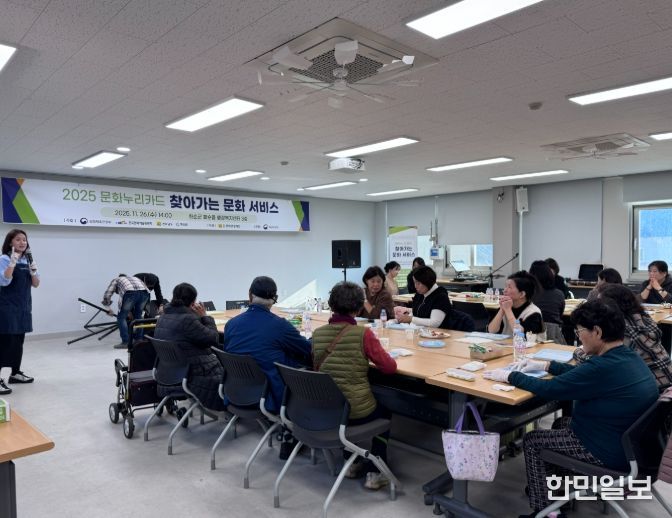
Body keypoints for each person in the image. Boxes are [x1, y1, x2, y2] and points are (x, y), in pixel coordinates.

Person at [483, 301, 658, 518]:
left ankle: (546, 511)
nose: (578, 336)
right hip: (631, 446)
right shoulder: (627, 357)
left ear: (597, 332)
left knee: (533, 441)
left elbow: (549, 389)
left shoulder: (602, 366)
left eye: (580, 331)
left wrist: (510, 376)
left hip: (609, 452)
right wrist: (547, 365)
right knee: (560, 423)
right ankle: (555, 493)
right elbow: (581, 374)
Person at [312, 281, 397, 490]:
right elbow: (389, 368)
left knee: (346, 402)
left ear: (331, 305)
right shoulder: (363, 334)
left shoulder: (317, 334)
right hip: (356, 410)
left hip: (327, 409)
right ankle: (376, 471)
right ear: (359, 308)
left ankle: (351, 462)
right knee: (384, 412)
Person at [223, 276, 312, 458]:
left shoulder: (231, 324)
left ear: (249, 295)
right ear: (274, 299)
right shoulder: (279, 326)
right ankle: (293, 431)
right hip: (270, 395)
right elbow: (308, 349)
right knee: (303, 369)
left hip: (235, 391)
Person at [575, 284, 672, 389]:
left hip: (654, 390)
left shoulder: (623, 331)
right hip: (665, 381)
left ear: (611, 307)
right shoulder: (642, 318)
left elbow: (598, 364)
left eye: (600, 304)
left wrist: (578, 352)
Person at [153, 283, 225, 411]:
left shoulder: (163, 317)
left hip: (167, 371)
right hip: (191, 373)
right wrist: (205, 317)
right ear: (192, 303)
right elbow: (213, 339)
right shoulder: (187, 320)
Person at [0, 229, 39, 394]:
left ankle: (15, 374)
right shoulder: (4, 259)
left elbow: (36, 284)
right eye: (18, 239)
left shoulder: (28, 260)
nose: (22, 242)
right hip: (7, 308)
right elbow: (4, 281)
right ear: (10, 242)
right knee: (5, 343)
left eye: (24, 239)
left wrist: (33, 271)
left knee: (18, 342)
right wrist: (12, 263)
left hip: (23, 307)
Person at [101, 274, 150, 349]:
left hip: (130, 293)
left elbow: (107, 294)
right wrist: (129, 312)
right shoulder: (134, 278)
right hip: (145, 293)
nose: (117, 293)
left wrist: (108, 309)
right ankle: (139, 339)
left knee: (121, 317)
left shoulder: (116, 280)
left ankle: (126, 342)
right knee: (138, 316)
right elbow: (138, 294)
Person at [487, 270, 544, 335]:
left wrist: (508, 310)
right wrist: (502, 310)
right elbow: (491, 331)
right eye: (505, 286)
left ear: (522, 294)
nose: (504, 290)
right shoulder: (505, 306)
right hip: (507, 341)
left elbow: (520, 334)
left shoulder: (533, 313)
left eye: (509, 287)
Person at [529, 260, 565, 326]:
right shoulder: (559, 294)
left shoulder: (528, 293)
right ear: (550, 274)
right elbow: (560, 314)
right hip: (554, 330)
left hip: (531, 329)